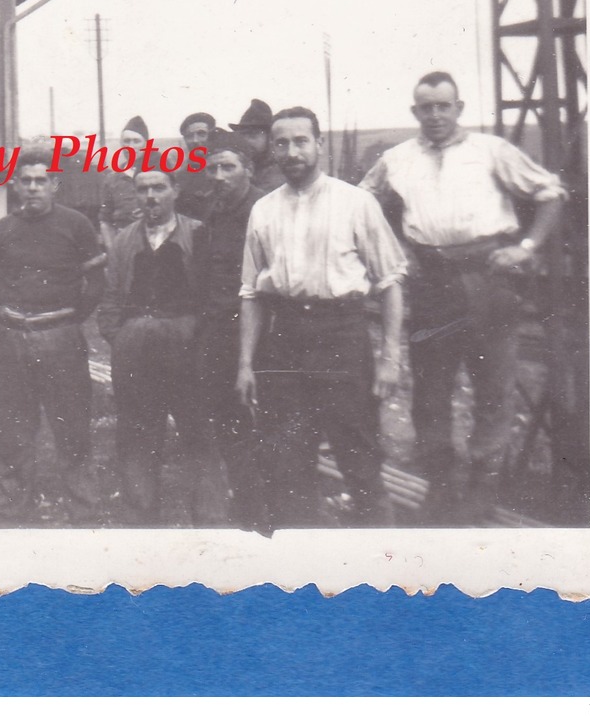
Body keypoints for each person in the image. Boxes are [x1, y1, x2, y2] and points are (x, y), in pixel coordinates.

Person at [359, 70, 567, 522]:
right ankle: (440, 486)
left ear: (459, 109)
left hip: (488, 280)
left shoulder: (491, 151)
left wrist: (525, 247)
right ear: (415, 112)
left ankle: (479, 491)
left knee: (492, 390)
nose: (435, 115)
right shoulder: (397, 158)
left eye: (443, 106)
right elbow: (360, 203)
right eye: (426, 107)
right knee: (430, 393)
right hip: (431, 282)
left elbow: (550, 192)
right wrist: (394, 252)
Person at [236, 106, 407, 527]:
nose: (291, 151)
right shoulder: (264, 210)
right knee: (286, 462)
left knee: (359, 455)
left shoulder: (356, 202)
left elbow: (390, 282)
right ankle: (302, 570)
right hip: (285, 340)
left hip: (342, 337)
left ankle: (382, 569)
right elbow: (251, 292)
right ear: (272, 150)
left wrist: (390, 358)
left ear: (319, 144)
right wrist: (245, 364)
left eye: (300, 141)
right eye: (282, 143)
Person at [0, 160, 108, 516]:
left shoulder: (76, 224)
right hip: (11, 339)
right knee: (13, 427)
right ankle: (14, 508)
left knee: (72, 425)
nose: (33, 188)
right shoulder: (2, 228)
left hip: (59, 338)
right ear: (15, 185)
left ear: (55, 184)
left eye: (41, 181)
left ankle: (83, 507)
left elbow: (96, 283)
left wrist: (68, 321)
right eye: (26, 181)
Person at [96, 169, 207, 523]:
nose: (150, 196)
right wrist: (123, 337)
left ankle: (210, 520)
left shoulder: (198, 234)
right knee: (137, 435)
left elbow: (212, 298)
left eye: (159, 187)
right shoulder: (125, 241)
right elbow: (111, 298)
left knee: (200, 433)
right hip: (136, 348)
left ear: (175, 190)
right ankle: (140, 520)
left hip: (187, 347)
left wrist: (198, 340)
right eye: (143, 189)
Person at [189, 130, 265, 527]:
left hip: (260, 333)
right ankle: (246, 507)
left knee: (261, 422)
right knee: (226, 420)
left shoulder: (265, 210)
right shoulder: (214, 211)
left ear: (248, 170)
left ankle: (264, 511)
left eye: (228, 167)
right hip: (218, 330)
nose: (218, 175)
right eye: (212, 167)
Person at [98, 115, 150, 252]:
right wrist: (112, 250)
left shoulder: (158, 174)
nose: (131, 146)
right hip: (124, 245)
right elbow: (105, 219)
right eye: (126, 141)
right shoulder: (113, 179)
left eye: (136, 141)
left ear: (146, 144)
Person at [230, 98, 284, 194]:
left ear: (270, 138)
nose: (246, 141)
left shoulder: (280, 172)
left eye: (252, 135)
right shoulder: (242, 167)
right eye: (243, 135)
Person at [175, 111, 219, 220]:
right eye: (189, 136)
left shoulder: (224, 169)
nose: (195, 140)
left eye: (202, 134)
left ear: (212, 136)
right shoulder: (180, 177)